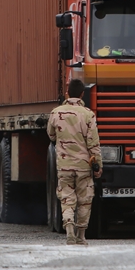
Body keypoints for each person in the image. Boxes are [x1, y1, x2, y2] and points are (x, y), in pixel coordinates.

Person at [46, 79, 102, 246]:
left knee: (67, 198)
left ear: (67, 93)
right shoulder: (88, 114)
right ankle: (81, 235)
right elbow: (93, 143)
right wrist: (98, 165)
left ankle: (69, 229)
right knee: (85, 200)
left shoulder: (55, 113)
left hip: (64, 166)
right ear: (83, 94)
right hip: (84, 167)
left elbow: (51, 135)